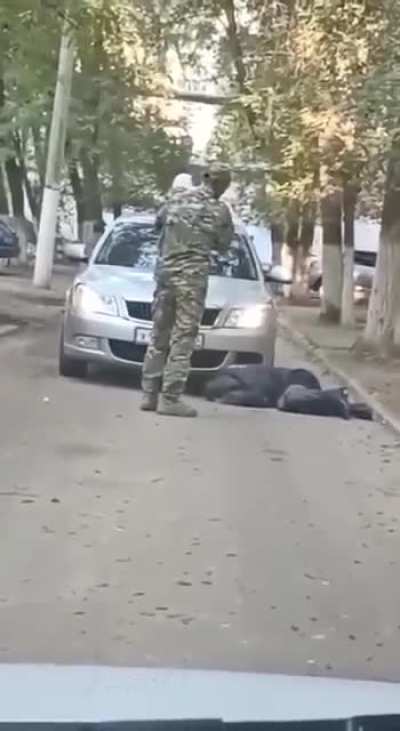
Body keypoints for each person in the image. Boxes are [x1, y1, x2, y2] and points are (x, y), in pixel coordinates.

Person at [141, 163, 234, 418]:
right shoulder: (220, 211)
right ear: (223, 184)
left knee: (159, 333)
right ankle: (170, 397)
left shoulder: (175, 200)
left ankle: (149, 393)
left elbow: (156, 226)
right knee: (183, 337)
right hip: (191, 281)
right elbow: (224, 245)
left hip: (165, 276)